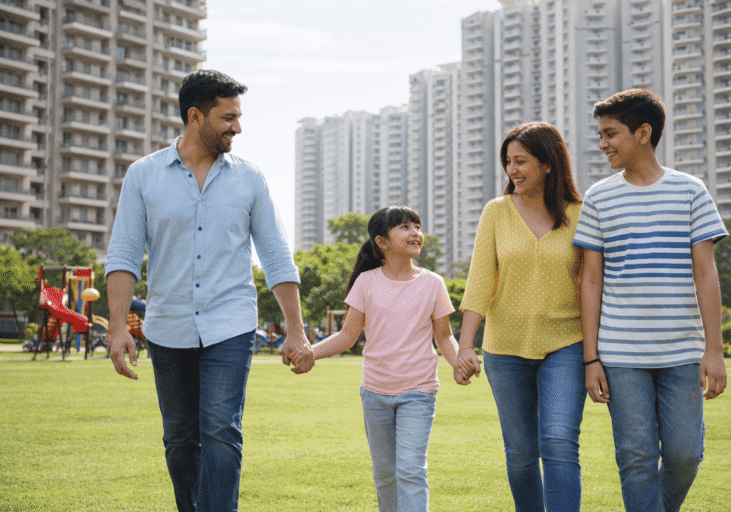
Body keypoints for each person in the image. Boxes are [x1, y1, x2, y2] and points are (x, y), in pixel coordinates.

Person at [105, 69, 314, 512]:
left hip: (230, 322)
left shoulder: (250, 179)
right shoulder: (143, 176)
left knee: (221, 429)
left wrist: (295, 330)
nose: (238, 126)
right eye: (228, 117)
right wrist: (118, 325)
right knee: (180, 438)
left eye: (238, 116)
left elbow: (276, 257)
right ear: (195, 116)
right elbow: (123, 255)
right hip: (168, 325)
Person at [573, 89, 728, 512]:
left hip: (682, 351)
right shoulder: (599, 198)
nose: (602, 143)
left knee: (684, 455)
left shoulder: (691, 191)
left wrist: (713, 350)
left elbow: (705, 273)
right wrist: (591, 359)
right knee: (637, 458)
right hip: (621, 354)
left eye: (610, 133)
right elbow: (590, 281)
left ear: (643, 132)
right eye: (600, 134)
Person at [295, 205, 470, 512]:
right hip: (374, 393)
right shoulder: (367, 282)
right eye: (404, 227)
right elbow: (348, 336)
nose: (415, 232)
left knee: (411, 470)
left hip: (418, 391)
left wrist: (458, 363)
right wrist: (312, 352)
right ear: (382, 242)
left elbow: (443, 335)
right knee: (386, 475)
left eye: (417, 226)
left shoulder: (433, 283)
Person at [457, 122, 587, 511]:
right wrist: (465, 345)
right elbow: (480, 279)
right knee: (520, 452)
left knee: (560, 442)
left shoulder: (580, 214)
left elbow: (590, 285)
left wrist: (596, 352)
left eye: (522, 161)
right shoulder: (496, 213)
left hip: (566, 343)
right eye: (508, 162)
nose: (513, 170)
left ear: (548, 164)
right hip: (505, 348)